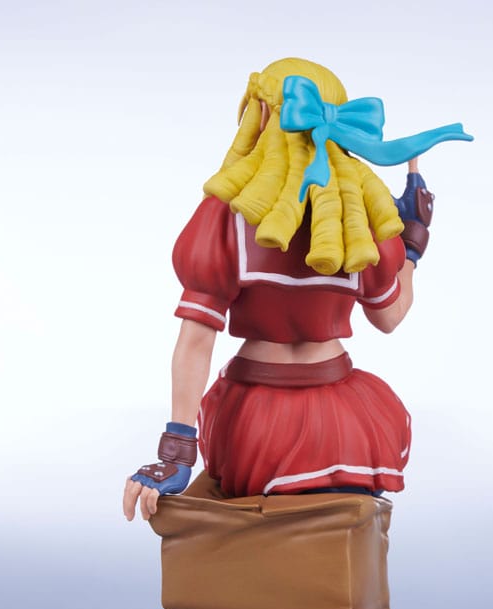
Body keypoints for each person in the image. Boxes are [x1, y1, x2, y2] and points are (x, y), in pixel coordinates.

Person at [123, 58, 471, 520]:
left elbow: (195, 341)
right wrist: (412, 244)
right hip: (344, 423)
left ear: (263, 116)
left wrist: (177, 451)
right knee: (331, 544)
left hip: (253, 427)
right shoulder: (361, 220)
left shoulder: (225, 217)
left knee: (263, 547)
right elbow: (390, 316)